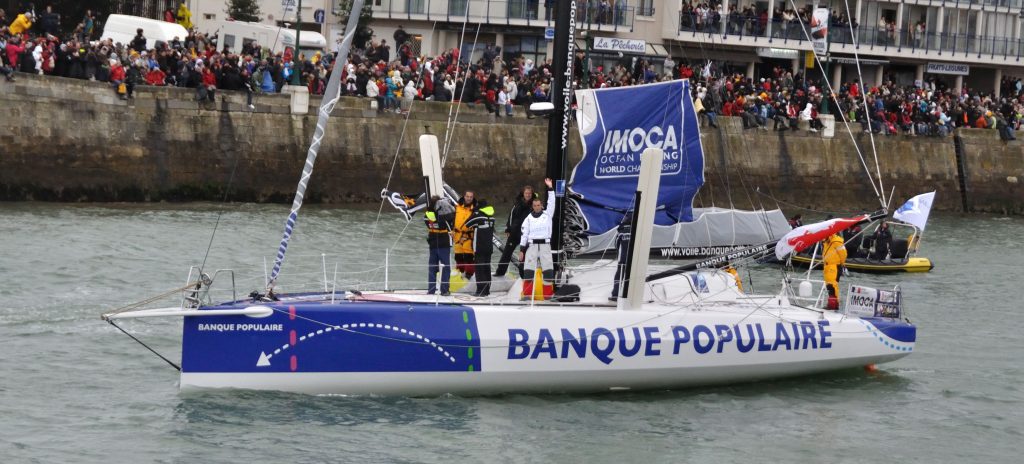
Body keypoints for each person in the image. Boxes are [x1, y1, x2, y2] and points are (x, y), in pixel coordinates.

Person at [519, 178, 557, 300]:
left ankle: (548, 295)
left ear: (541, 205)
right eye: (534, 205)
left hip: (545, 245)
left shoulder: (547, 215)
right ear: (532, 206)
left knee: (548, 270)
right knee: (528, 271)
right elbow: (524, 235)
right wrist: (521, 249)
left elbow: (552, 202)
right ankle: (527, 295)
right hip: (531, 246)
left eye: (538, 205)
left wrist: (550, 188)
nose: (536, 207)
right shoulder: (528, 219)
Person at [494, 185, 537, 277]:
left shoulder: (535, 204)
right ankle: (500, 272)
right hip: (514, 232)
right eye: (526, 193)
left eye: (529, 193)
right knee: (506, 253)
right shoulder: (517, 203)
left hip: (526, 234)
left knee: (524, 255)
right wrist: (508, 229)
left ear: (532, 194)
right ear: (523, 193)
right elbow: (511, 216)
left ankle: (524, 275)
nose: (528, 195)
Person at [424, 195, 455, 296]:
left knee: (432, 268)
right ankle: (444, 290)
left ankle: (431, 290)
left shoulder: (427, 215)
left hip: (433, 244)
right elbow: (451, 218)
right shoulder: (444, 217)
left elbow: (428, 223)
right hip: (443, 244)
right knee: (446, 268)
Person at [465, 200, 497, 297]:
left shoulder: (478, 216)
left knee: (479, 269)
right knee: (487, 268)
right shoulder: (492, 217)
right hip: (489, 247)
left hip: (479, 246)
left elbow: (467, 224)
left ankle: (480, 291)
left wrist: (474, 212)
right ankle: (487, 290)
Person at [453, 191, 477, 279]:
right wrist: (451, 231)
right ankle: (459, 273)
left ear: (473, 198)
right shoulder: (457, 207)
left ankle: (469, 275)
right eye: (467, 196)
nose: (469, 198)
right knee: (458, 256)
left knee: (469, 257)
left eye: (471, 197)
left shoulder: (475, 208)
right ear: (464, 196)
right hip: (457, 235)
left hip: (469, 236)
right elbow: (452, 219)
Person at [610, 211, 632, 301]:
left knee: (619, 276)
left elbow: (616, 245)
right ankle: (629, 295)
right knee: (631, 277)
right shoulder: (637, 230)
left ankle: (615, 295)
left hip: (622, 259)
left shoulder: (621, 231)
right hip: (633, 259)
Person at [821, 233, 847, 309]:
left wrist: (841, 263)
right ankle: (832, 303)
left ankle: (833, 305)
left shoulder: (836, 241)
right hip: (827, 266)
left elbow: (843, 254)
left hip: (834, 266)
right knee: (829, 286)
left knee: (832, 285)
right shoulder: (826, 241)